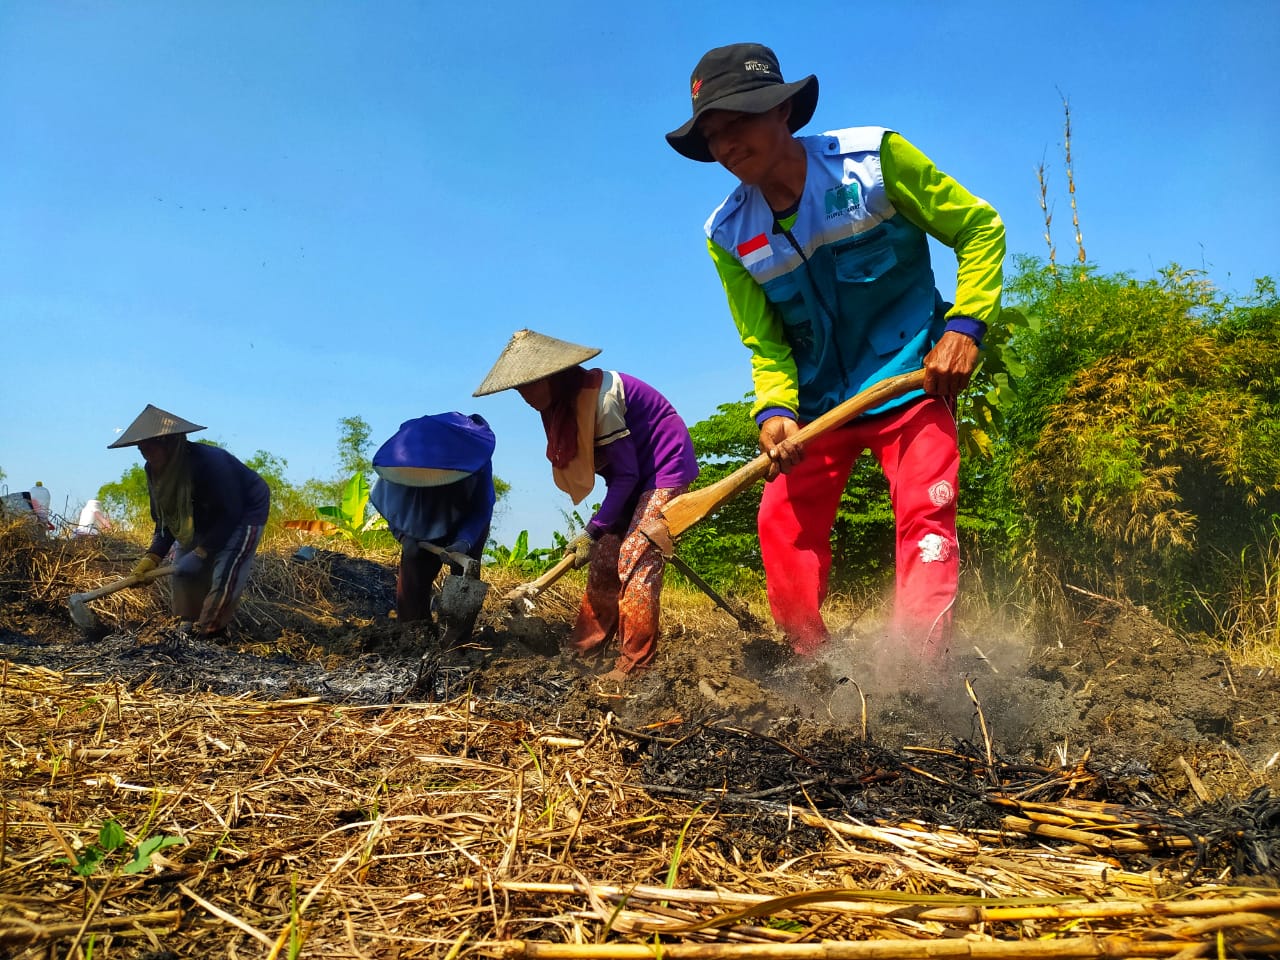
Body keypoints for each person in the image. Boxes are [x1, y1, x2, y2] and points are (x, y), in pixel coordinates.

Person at [666, 43, 1005, 659]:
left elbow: (980, 228)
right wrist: (773, 411)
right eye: (712, 135)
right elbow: (764, 339)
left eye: (738, 122)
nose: (725, 145)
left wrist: (965, 325)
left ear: (784, 109)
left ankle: (920, 678)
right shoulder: (727, 233)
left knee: (927, 515)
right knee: (780, 525)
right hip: (820, 404)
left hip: (910, 381)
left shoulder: (872, 163)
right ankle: (815, 667)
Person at [474, 329, 699, 682]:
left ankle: (634, 665)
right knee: (606, 558)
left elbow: (627, 474)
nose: (525, 397)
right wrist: (601, 536)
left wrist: (592, 530)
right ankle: (585, 648)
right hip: (630, 478)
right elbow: (618, 477)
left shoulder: (603, 399)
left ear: (553, 377)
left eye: (529, 385)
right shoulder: (561, 406)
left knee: (636, 557)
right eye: (518, 390)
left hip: (663, 468)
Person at [109, 404, 270, 642]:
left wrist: (202, 552)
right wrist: (151, 558)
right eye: (141, 449)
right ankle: (185, 628)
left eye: (150, 447)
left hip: (244, 513)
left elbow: (229, 513)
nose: (145, 453)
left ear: (170, 442)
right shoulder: (153, 470)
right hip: (200, 518)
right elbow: (166, 521)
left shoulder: (210, 463)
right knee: (184, 575)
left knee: (226, 570)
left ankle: (210, 632)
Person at [369, 411, 496, 633]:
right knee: (412, 577)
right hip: (420, 522)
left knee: (464, 579)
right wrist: (403, 536)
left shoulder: (474, 459)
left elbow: (481, 508)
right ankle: (414, 633)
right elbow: (394, 507)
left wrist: (464, 542)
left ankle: (456, 637)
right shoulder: (403, 462)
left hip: (464, 518)